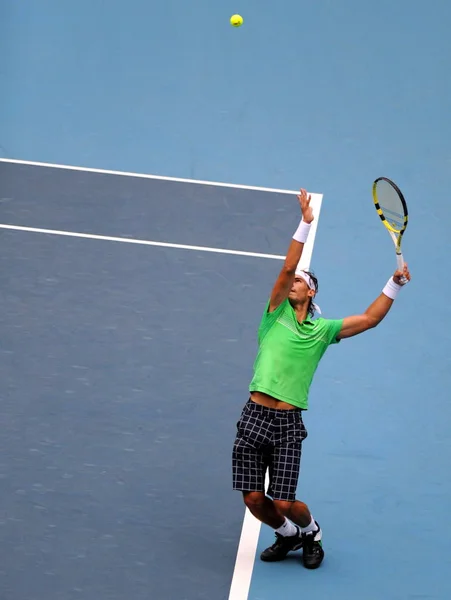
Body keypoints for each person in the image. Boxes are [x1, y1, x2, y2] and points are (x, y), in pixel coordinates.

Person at [232, 188, 411, 570]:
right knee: (252, 500)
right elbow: (284, 268)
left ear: (311, 291)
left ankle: (310, 532)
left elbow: (369, 319)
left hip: (286, 423)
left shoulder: (322, 329)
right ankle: (286, 535)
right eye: (291, 279)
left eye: (300, 280)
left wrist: (394, 283)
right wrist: (305, 224)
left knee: (282, 501)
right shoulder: (274, 315)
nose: (292, 280)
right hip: (254, 417)